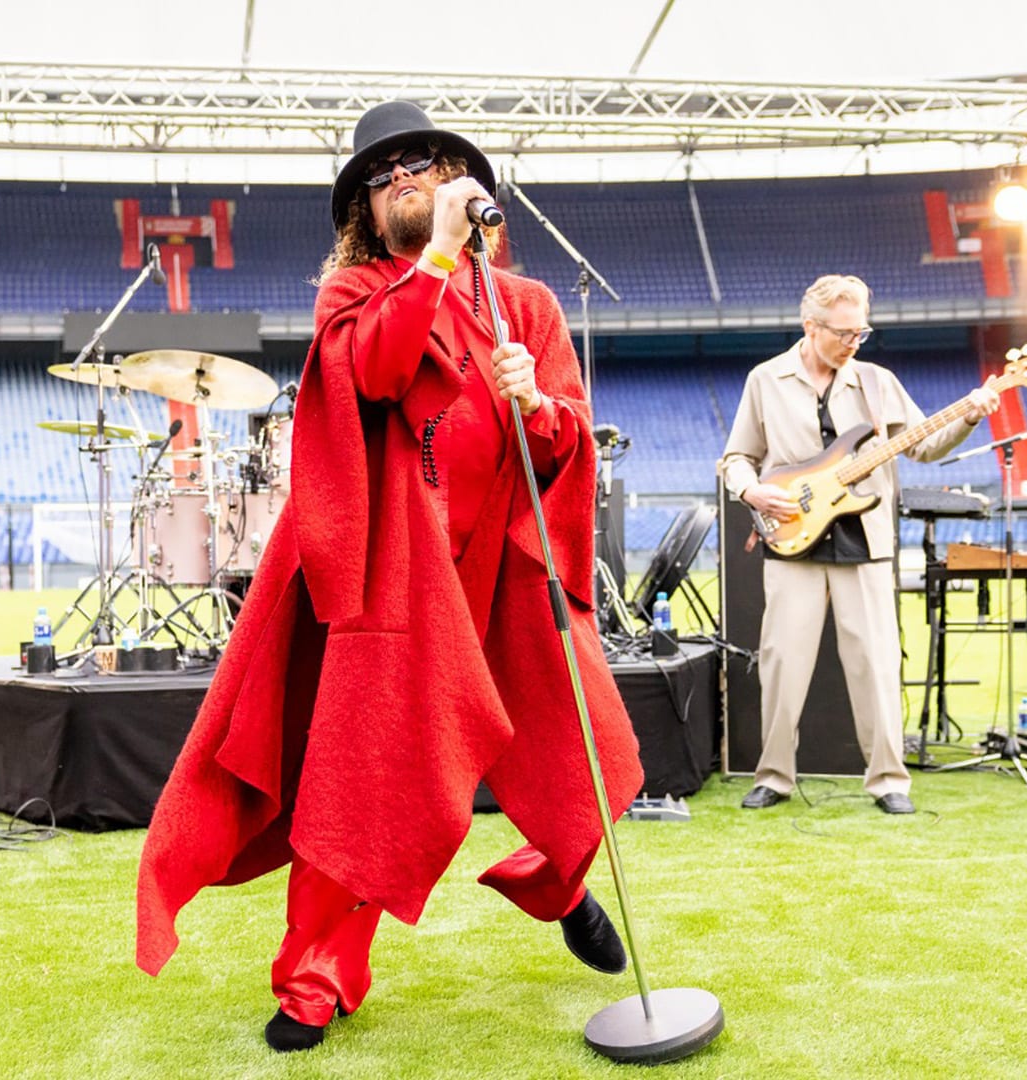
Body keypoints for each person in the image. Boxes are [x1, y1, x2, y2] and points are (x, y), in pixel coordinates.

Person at [133, 101, 641, 1053]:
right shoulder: (358, 293)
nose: (406, 176)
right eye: (385, 172)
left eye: (424, 162)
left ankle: (558, 881)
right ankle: (316, 978)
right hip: (395, 579)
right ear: (367, 209)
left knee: (574, 742)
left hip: (500, 567)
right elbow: (373, 372)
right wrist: (438, 260)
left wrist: (538, 406)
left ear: (461, 177)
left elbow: (569, 441)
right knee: (364, 778)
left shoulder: (527, 307)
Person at [720, 275, 999, 814]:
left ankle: (889, 780)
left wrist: (969, 412)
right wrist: (750, 489)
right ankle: (773, 775)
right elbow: (737, 457)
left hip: (864, 540)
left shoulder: (878, 382)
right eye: (845, 333)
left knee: (875, 662)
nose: (854, 342)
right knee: (782, 661)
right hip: (793, 539)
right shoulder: (765, 379)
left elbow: (925, 444)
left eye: (861, 332)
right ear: (811, 327)